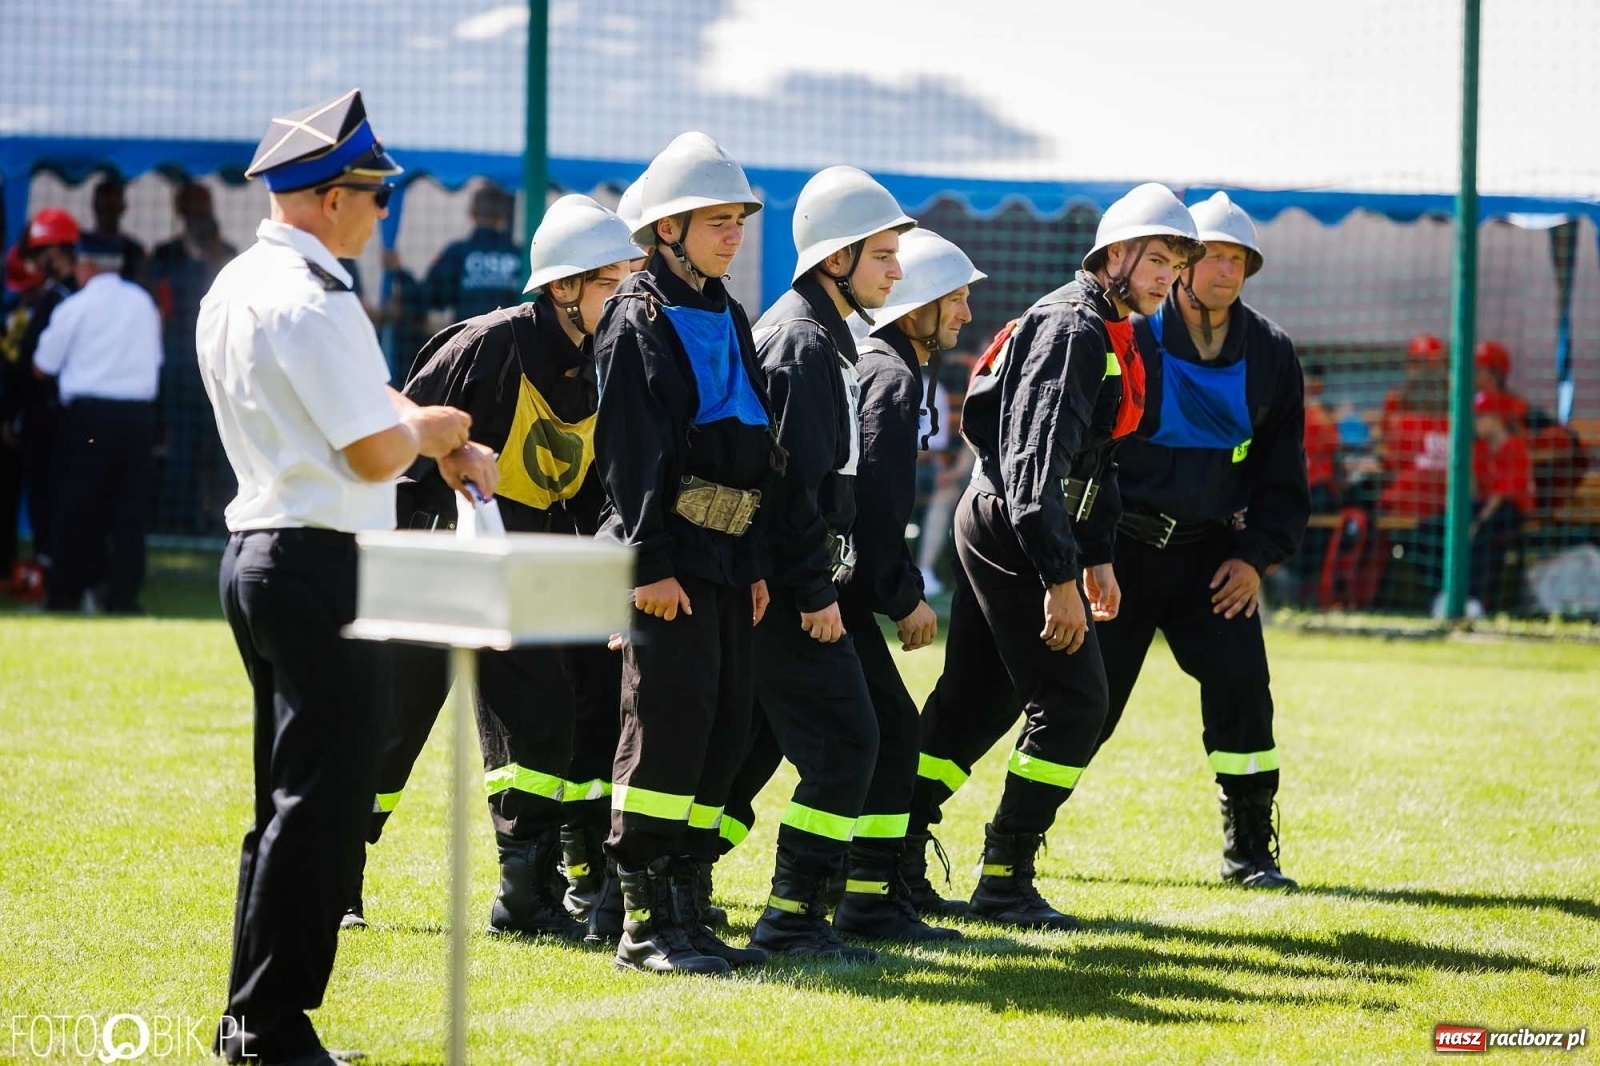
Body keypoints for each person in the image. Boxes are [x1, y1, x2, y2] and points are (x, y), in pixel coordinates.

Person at [198, 89, 497, 1066]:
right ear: (332, 199)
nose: (382, 213)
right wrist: (436, 430)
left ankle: (252, 1020)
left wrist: (429, 432)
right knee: (323, 807)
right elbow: (371, 450)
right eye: (377, 195)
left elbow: (363, 403)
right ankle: (272, 1028)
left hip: (264, 553)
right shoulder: (315, 295)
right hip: (320, 558)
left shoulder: (242, 283)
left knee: (287, 803)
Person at [904, 184, 1203, 927]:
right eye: (1158, 261)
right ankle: (1005, 878)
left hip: (1018, 519)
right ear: (1114, 255)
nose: (1169, 278)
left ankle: (887, 857)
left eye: (1177, 266)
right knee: (1075, 704)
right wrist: (1059, 578)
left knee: (977, 703)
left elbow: (1094, 461)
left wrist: (1097, 556)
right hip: (1014, 522)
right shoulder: (1073, 328)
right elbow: (1035, 467)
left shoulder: (1108, 326)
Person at [355, 194, 640, 946]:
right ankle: (333, 877)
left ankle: (525, 897)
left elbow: (589, 488)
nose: (625, 299)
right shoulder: (486, 345)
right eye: (611, 283)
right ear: (564, 287)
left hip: (522, 572)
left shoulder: (605, 359)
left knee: (543, 724)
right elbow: (397, 451)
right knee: (389, 729)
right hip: (431, 562)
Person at [593, 131, 777, 977]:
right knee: (666, 727)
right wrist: (650, 565)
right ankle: (642, 926)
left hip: (731, 559)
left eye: (739, 220)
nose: (734, 234)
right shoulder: (636, 317)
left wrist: (757, 560)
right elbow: (630, 456)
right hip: (670, 559)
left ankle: (688, 912)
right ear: (667, 230)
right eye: (717, 220)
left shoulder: (728, 311)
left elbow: (758, 448)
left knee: (724, 727)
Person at [1092, 192, 1309, 889]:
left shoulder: (1272, 352)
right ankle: (1010, 852)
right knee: (1083, 706)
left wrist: (1254, 558)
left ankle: (1251, 854)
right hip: (1120, 555)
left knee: (1244, 690)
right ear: (1182, 265)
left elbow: (1283, 475)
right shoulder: (1129, 336)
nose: (1226, 270)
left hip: (1214, 559)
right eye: (1212, 255)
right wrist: (1084, 552)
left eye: (1239, 259)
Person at [731, 165, 913, 960]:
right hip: (791, 590)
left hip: (797, 583)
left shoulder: (824, 337)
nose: (897, 272)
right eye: (883, 255)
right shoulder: (803, 344)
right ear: (837, 259)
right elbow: (791, 492)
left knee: (747, 758)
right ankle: (790, 923)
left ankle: (668, 900)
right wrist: (813, 591)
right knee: (846, 742)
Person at [32, 233, 163, 613]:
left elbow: (43, 365)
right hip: (137, 417)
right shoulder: (143, 303)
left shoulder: (76, 306)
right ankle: (123, 597)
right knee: (129, 512)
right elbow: (155, 361)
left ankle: (65, 594)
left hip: (88, 418)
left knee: (75, 505)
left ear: (86, 266)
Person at [149, 180, 238, 534]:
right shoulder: (164, 255)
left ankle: (219, 521)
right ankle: (179, 522)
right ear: (181, 211)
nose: (202, 213)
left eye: (205, 204)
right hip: (178, 369)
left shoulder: (228, 253)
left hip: (220, 368)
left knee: (221, 446)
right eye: (194, 205)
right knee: (181, 448)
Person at [3, 208, 82, 596]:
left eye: (39, 252)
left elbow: (30, 364)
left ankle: (53, 573)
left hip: (50, 415)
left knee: (47, 497)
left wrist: (12, 413)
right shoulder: (68, 295)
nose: (36, 261)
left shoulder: (61, 298)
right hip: (52, 413)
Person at [1, 243, 47, 589]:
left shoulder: (53, 308)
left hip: (41, 417)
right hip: (12, 412)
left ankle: (42, 566)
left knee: (41, 494)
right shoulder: (9, 313)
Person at [1466, 389, 1533, 614]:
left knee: (1482, 534)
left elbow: (1501, 495)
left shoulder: (1514, 446)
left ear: (1496, 418)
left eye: (1481, 416)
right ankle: (1446, 594)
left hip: (1511, 509)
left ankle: (1476, 599)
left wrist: (1477, 522)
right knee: (1440, 525)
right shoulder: (1479, 448)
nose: (1476, 422)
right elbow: (1475, 494)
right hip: (1486, 505)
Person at [423, 183, 524, 331]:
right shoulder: (520, 255)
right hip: (513, 339)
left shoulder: (457, 253)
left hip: (469, 338)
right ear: (504, 216)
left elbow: (433, 297)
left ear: (471, 214)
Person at [88, 174, 147, 283]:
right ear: (95, 207)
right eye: (103, 207)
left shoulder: (133, 250)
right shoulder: (82, 246)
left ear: (122, 208)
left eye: (111, 208)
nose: (107, 215)